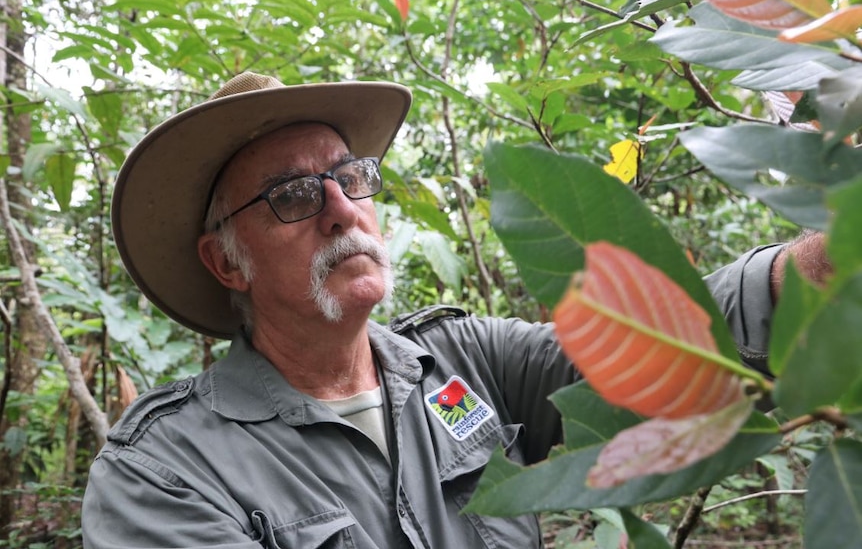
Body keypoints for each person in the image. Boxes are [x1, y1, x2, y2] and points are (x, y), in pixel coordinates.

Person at [81, 72, 829, 548]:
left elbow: (658, 349)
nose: (344, 211)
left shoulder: (465, 362)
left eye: (351, 178)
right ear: (226, 262)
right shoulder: (165, 470)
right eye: (294, 194)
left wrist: (829, 253)